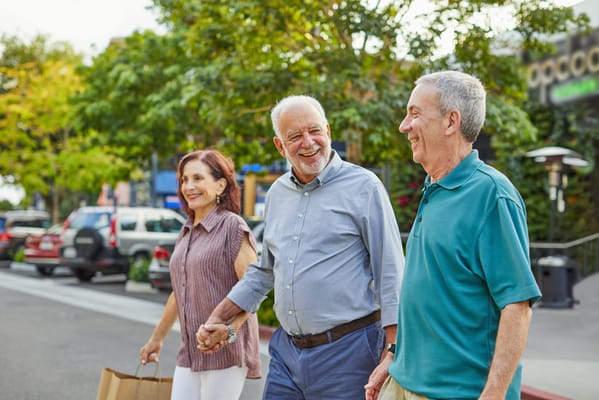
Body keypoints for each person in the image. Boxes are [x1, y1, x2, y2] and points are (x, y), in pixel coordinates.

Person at [196, 95, 405, 399]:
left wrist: (392, 349)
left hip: (349, 352)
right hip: (287, 354)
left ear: (328, 131)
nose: (308, 143)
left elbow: (390, 272)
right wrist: (218, 317)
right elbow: (264, 271)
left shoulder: (364, 186)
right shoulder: (278, 193)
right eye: (295, 136)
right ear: (280, 146)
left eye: (314, 131)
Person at [365, 70, 542, 400]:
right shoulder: (435, 186)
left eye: (414, 113)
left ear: (451, 122)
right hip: (403, 381)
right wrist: (393, 354)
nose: (404, 126)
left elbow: (517, 306)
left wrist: (494, 395)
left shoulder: (491, 194)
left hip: (456, 393)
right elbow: (428, 295)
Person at [139, 149, 261, 400]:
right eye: (184, 180)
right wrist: (156, 339)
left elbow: (253, 288)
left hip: (225, 351)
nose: (188, 186)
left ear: (220, 185)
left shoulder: (232, 227)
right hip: (190, 352)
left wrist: (229, 330)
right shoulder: (186, 231)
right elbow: (179, 290)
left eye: (197, 178)